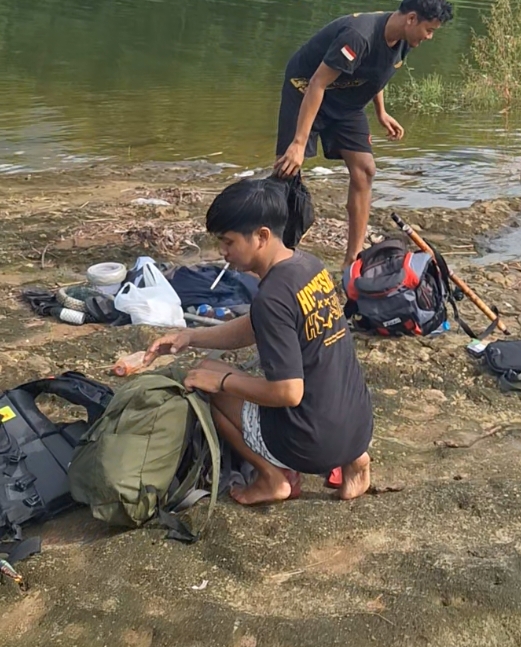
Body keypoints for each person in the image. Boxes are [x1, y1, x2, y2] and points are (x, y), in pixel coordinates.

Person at [143, 175, 373, 505]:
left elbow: (288, 392)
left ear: (261, 236)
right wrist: (189, 336)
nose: (223, 253)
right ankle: (355, 461)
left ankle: (272, 479)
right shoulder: (309, 265)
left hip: (314, 444)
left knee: (210, 386)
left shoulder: (272, 297)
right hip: (358, 425)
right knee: (316, 367)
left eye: (228, 242)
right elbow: (253, 326)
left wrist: (222, 381)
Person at [273, 0, 453, 266]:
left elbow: (375, 72)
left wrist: (381, 112)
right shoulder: (358, 36)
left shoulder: (406, 39)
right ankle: (274, 254)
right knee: (288, 172)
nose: (429, 36)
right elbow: (318, 82)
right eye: (429, 30)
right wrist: (298, 143)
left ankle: (352, 260)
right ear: (411, 19)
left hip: (347, 100)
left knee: (365, 170)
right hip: (306, 90)